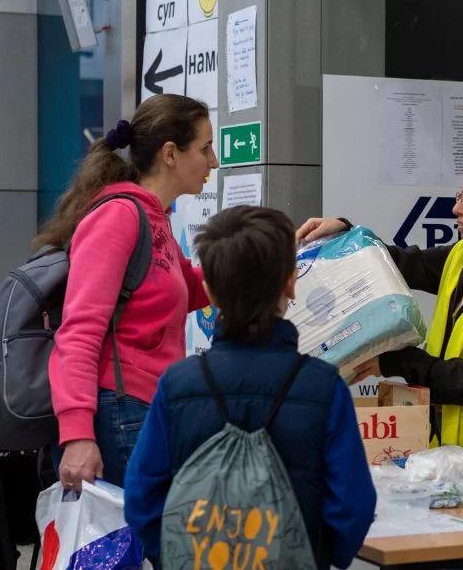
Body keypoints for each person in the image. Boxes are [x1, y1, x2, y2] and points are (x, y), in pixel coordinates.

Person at [124, 206, 375, 569]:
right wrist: (317, 555)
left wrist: (177, 556)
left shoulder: (177, 385)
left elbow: (141, 496)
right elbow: (352, 504)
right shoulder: (323, 386)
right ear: (291, 282)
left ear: (208, 292)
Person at [298, 154, 463, 454]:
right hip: (455, 454)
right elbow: (400, 263)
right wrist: (345, 232)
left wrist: (397, 361)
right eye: (461, 196)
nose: (457, 207)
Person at [40, 93, 219, 490]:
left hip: (145, 410)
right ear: (170, 153)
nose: (214, 161)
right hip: (119, 414)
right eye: (206, 148)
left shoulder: (154, 218)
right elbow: (80, 331)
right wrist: (78, 435)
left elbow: (191, 289)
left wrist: (274, 253)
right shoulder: (118, 217)